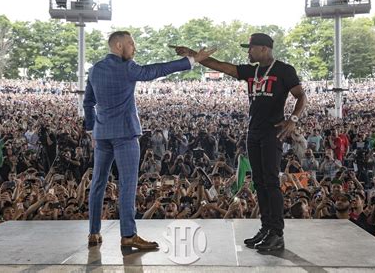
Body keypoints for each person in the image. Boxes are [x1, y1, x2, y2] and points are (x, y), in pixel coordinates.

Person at [175, 32, 307, 252]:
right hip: (253, 132)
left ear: (264, 48)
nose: (248, 51)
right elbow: (219, 65)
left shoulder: (284, 70)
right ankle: (266, 228)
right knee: (259, 182)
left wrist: (292, 119)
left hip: (272, 132)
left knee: (271, 182)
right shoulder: (250, 71)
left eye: (251, 48)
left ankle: (277, 233)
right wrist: (192, 54)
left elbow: (301, 96)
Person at [83, 31, 215, 249]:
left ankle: (93, 233)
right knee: (127, 183)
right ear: (118, 46)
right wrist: (192, 60)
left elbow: (88, 103)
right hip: (125, 134)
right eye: (130, 44)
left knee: (98, 183)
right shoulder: (127, 67)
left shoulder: (95, 70)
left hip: (102, 134)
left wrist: (91, 131)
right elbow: (156, 70)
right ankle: (128, 234)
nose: (134, 48)